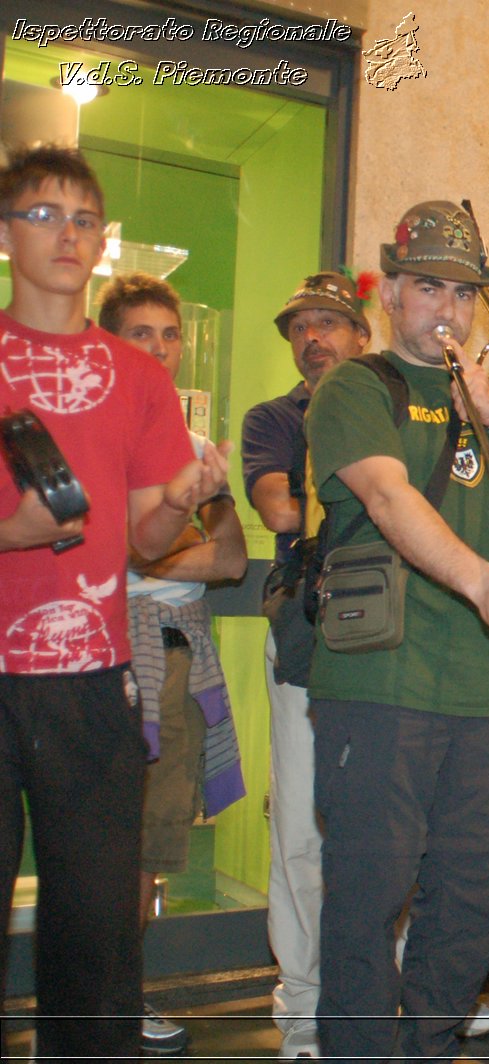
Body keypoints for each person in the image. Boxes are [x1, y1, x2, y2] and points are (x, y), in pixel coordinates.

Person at [303, 201, 489, 1060]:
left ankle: (421, 1047)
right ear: (391, 294)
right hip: (379, 678)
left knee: (480, 898)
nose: (448, 311)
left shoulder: (486, 405)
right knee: (367, 895)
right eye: (429, 288)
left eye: (464, 294)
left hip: (482, 690)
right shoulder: (356, 385)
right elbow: (388, 500)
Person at [0, 145, 229, 1060]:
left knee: (95, 929)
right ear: (8, 232)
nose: (68, 234)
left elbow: (140, 539)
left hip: (95, 680)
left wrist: (179, 498)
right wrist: (15, 532)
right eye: (45, 214)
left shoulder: (137, 378)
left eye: (84, 218)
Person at [98, 272, 250, 1054]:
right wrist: (155, 542)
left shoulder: (193, 447)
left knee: (153, 844)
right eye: (139, 334)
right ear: (108, 342)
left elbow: (230, 560)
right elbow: (114, 545)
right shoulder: (87, 425)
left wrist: (163, 544)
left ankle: (122, 1000)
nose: (158, 348)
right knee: (87, 838)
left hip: (175, 655)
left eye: (168, 333)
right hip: (96, 656)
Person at [241, 268, 371, 1060]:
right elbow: (281, 508)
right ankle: (301, 1014)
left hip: (395, 632)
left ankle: (393, 992)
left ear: (362, 335)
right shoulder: (275, 418)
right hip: (307, 625)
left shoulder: (395, 406)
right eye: (300, 326)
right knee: (298, 828)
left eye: (329, 322)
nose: (313, 336)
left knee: (389, 824)